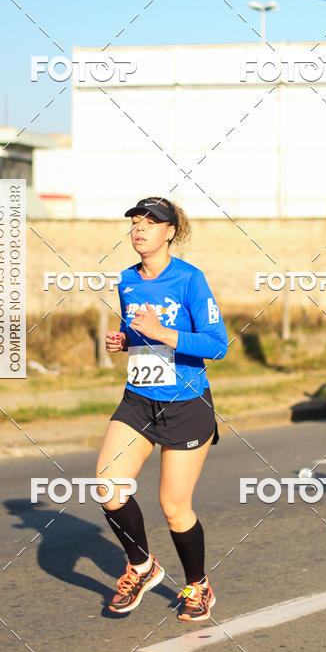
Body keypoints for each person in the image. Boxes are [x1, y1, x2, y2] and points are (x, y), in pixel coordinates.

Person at [95, 196, 228, 621]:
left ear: (170, 231)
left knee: (174, 508)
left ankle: (198, 585)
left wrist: (164, 333)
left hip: (186, 405)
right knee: (107, 487)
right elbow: (134, 331)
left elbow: (217, 344)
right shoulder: (127, 280)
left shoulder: (190, 280)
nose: (139, 228)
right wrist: (124, 340)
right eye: (135, 221)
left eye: (150, 222)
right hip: (139, 400)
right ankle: (142, 566)